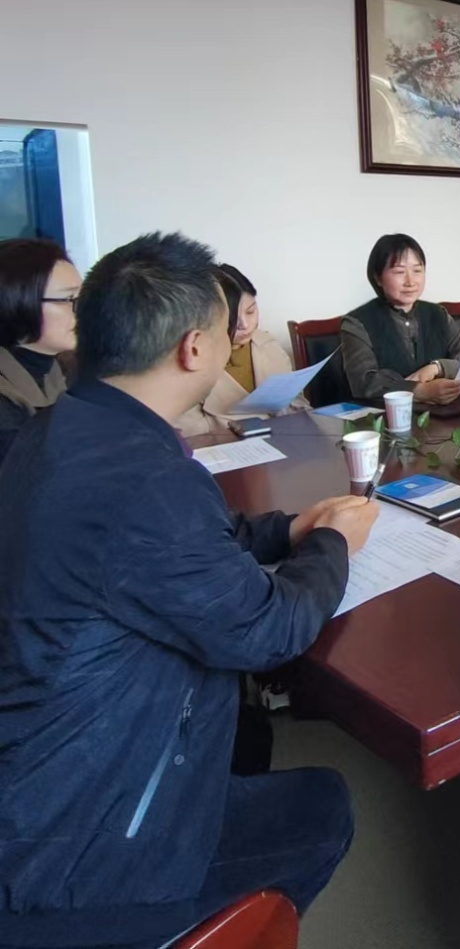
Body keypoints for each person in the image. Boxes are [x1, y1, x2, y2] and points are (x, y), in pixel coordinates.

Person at [0, 232, 377, 947]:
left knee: (255, 751)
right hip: (76, 847)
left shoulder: (67, 428)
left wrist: (287, 529)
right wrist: (333, 544)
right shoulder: (144, 477)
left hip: (40, 772)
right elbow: (268, 631)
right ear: (193, 347)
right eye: (225, 325)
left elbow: (180, 540)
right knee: (322, 806)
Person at [176, 264, 308, 436]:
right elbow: (189, 432)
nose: (244, 325)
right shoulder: (188, 360)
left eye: (250, 311)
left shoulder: (267, 343)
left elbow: (296, 403)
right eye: (232, 319)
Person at [341, 233, 460, 405]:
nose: (410, 281)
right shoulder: (357, 323)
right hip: (386, 416)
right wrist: (419, 391)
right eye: (399, 272)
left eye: (417, 271)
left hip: (446, 413)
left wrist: (438, 367)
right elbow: (364, 381)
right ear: (378, 277)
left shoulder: (438, 314)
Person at [0, 238, 79, 466]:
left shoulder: (63, 370)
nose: (82, 310)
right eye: (69, 299)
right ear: (19, 300)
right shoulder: (5, 406)